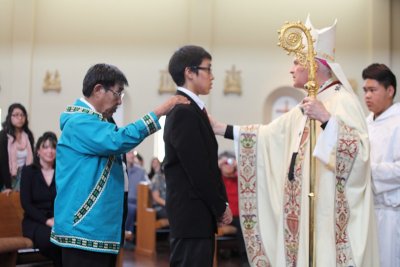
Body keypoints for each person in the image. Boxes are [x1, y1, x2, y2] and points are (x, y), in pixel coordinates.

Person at [211, 17, 379, 266]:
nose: (291, 69)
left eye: (296, 62)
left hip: (328, 218)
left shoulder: (341, 101)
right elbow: (268, 135)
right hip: (302, 211)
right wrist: (219, 128)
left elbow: (361, 154)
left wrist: (326, 120)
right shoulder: (309, 103)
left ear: (314, 65)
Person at [50, 63, 189, 267]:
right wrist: (160, 111)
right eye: (118, 93)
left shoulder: (99, 121)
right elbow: (118, 140)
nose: (119, 101)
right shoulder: (80, 122)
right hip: (84, 229)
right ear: (98, 89)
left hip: (98, 227)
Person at [163, 45, 232, 267]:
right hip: (191, 215)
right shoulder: (184, 111)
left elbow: (207, 164)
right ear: (189, 72)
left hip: (197, 215)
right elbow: (198, 169)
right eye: (208, 69)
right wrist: (220, 206)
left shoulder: (193, 109)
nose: (212, 76)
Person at [362, 63, 399, 267]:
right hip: (368, 211)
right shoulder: (365, 123)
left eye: (373, 90)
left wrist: (366, 170)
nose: (367, 96)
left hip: (392, 213)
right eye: (365, 90)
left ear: (390, 90)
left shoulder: (398, 122)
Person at [20, 131, 62, 266]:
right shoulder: (28, 171)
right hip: (35, 222)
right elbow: (26, 204)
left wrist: (57, 219)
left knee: (69, 242)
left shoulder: (62, 172)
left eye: (53, 147)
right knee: (51, 241)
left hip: (57, 221)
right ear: (38, 151)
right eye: (45, 147)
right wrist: (47, 221)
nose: (50, 151)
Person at [218, 151, 248, 266]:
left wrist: (238, 165)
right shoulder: (219, 178)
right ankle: (243, 257)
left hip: (240, 215)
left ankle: (246, 258)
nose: (228, 165)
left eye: (230, 162)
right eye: (225, 163)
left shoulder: (238, 177)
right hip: (225, 215)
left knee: (244, 223)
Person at [0, 103, 34, 194]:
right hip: (7, 177)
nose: (20, 118)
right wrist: (7, 185)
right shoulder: (3, 136)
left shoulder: (28, 136)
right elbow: (3, 162)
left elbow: (32, 160)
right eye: (16, 115)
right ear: (9, 117)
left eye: (22, 115)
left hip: (24, 176)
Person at [125, 150, 149, 236]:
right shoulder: (120, 168)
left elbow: (148, 184)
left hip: (135, 202)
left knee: (130, 208)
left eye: (133, 153)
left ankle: (128, 236)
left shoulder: (140, 170)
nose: (132, 155)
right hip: (122, 200)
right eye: (129, 153)